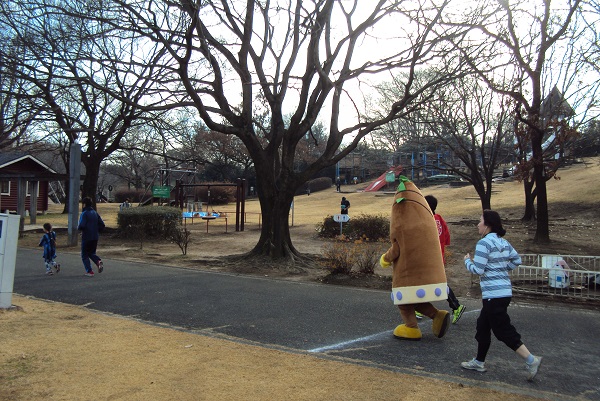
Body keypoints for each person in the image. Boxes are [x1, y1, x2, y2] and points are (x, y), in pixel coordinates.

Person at [461, 209, 542, 381]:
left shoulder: (483, 243)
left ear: (487, 225)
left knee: (502, 330)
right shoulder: (503, 242)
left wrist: (467, 260)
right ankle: (479, 362)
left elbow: (479, 270)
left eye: (480, 221)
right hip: (503, 292)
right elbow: (516, 260)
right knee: (482, 325)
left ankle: (531, 360)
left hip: (493, 294)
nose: (477, 224)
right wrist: (502, 269)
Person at [424, 195, 466, 324]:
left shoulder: (427, 220)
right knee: (428, 283)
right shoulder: (439, 219)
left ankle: (456, 306)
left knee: (437, 284)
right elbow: (447, 239)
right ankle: (420, 307)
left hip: (429, 258)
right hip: (439, 256)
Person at [78, 197, 106, 277]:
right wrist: (97, 230)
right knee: (91, 252)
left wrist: (80, 230)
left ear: (84, 204)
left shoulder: (84, 213)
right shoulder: (95, 213)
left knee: (84, 254)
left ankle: (89, 271)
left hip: (87, 236)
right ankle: (98, 261)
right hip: (95, 236)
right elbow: (102, 224)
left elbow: (81, 225)